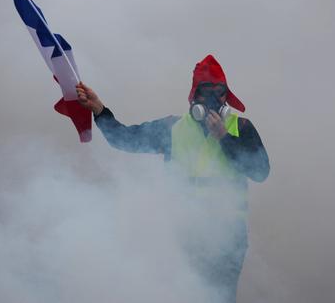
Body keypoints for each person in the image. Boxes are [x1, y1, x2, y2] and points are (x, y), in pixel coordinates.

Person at [76, 54, 269, 302]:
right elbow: (124, 139)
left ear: (226, 96)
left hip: (227, 239)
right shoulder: (172, 128)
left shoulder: (240, 128)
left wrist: (225, 138)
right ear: (193, 97)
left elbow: (260, 172)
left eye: (218, 92)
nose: (211, 99)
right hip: (185, 235)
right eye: (205, 91)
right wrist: (99, 110)